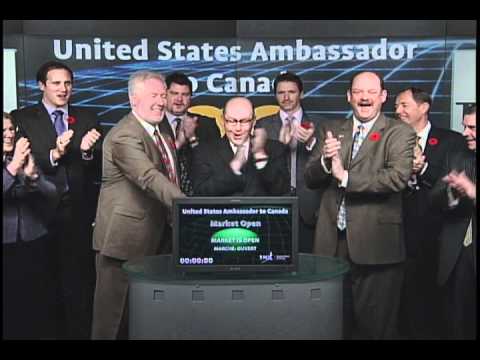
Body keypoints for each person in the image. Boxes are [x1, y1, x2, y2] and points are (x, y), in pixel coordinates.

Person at [304, 71, 416, 339]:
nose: (364, 97)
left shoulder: (399, 132)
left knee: (375, 328)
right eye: (358, 92)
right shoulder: (331, 130)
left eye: (371, 92)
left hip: (376, 247)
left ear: (383, 97)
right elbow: (310, 177)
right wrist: (324, 162)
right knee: (330, 324)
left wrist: (345, 177)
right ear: (349, 97)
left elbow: (397, 178)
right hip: (331, 245)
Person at [11, 61, 102, 339]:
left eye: (68, 83)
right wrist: (53, 155)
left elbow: (99, 168)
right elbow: (16, 164)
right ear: (41, 85)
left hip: (78, 217)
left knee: (78, 287)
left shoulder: (87, 117)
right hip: (38, 216)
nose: (63, 89)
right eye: (56, 83)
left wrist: (87, 153)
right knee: (40, 287)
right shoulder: (22, 118)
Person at [91, 70, 185, 340]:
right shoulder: (124, 135)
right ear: (134, 100)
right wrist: (186, 208)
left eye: (162, 95)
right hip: (123, 241)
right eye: (154, 95)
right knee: (111, 320)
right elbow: (148, 177)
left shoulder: (161, 127)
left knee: (145, 317)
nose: (161, 101)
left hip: (157, 237)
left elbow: (169, 172)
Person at [394, 87, 466, 339]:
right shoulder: (389, 139)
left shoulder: (452, 140)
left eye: (404, 105)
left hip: (438, 234)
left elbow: (453, 184)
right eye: (396, 106)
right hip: (399, 232)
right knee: (405, 302)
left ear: (423, 107)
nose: (398, 110)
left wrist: (422, 169)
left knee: (437, 302)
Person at [255, 72, 325, 253]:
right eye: (281, 93)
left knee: (309, 262)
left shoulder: (320, 124)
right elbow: (258, 167)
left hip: (309, 206)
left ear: (301, 94)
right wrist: (280, 146)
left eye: (291, 92)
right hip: (274, 203)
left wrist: (310, 143)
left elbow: (327, 165)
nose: (286, 97)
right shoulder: (263, 125)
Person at [3, 112, 58, 339]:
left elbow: (52, 193)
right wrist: (13, 167)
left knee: (36, 305)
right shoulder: (15, 160)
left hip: (33, 240)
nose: (8, 135)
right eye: (3, 131)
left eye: (10, 130)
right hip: (5, 246)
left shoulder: (24, 158)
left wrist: (34, 178)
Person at [429, 104, 476, 339]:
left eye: (473, 127)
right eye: (464, 126)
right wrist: (452, 193)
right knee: (457, 321)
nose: (466, 133)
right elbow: (433, 198)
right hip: (458, 253)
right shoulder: (457, 156)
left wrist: (473, 192)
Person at [192, 97, 289, 196]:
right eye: (231, 121)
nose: (238, 128)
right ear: (222, 120)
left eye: (244, 121)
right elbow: (201, 192)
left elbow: (281, 190)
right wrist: (233, 169)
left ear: (254, 121)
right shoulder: (204, 151)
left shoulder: (275, 148)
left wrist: (260, 158)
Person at [161, 72, 221, 195]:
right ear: (164, 95)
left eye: (185, 94)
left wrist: (193, 139)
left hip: (199, 199)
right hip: (163, 196)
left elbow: (215, 164)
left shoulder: (207, 125)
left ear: (190, 98)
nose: (179, 99)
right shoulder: (155, 125)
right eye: (174, 93)